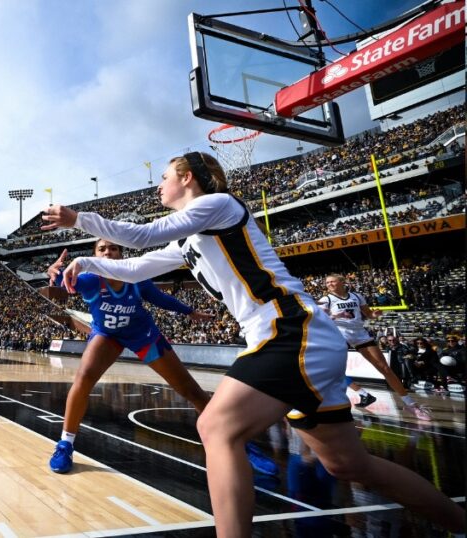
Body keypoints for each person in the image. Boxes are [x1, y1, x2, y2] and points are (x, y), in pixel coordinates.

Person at [41, 152, 465, 535]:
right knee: (348, 464)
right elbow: (135, 267)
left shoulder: (218, 204)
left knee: (214, 427)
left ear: (188, 178)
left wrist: (79, 218)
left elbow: (142, 235)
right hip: (299, 338)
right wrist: (84, 260)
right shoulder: (189, 239)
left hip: (289, 329)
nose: (159, 185)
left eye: (166, 176)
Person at [44, 240, 277, 476]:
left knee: (190, 389)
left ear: (121, 254)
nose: (108, 252)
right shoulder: (90, 280)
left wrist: (189, 311)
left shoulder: (136, 278)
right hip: (107, 335)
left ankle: (240, 443)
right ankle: (65, 444)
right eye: (102, 249)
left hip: (142, 334)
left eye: (113, 248)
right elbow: (63, 282)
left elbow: (159, 298)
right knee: (82, 380)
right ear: (94, 257)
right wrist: (54, 273)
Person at [317, 275, 429, 419]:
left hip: (360, 334)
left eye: (332, 281)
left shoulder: (356, 296)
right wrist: (337, 316)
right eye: (327, 282)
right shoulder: (325, 299)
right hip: (339, 335)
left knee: (384, 368)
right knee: (334, 370)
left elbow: (368, 314)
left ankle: (410, 405)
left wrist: (374, 314)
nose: (329, 284)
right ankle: (350, 398)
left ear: (342, 282)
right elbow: (320, 318)